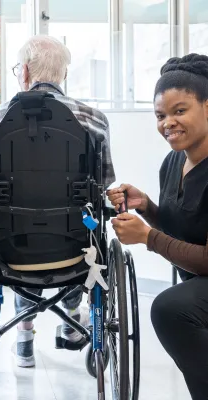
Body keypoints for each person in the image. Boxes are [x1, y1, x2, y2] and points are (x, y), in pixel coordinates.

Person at [0, 35, 116, 368]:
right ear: (62, 74)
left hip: (11, 253)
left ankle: (24, 332)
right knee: (82, 227)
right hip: (75, 254)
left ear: (26, 72)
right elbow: (103, 186)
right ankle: (74, 317)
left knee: (13, 223)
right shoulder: (94, 119)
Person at [107, 53, 208, 400]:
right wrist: (147, 207)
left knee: (171, 308)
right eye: (160, 115)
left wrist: (147, 237)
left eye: (180, 111)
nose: (168, 123)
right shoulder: (172, 162)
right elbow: (183, 230)